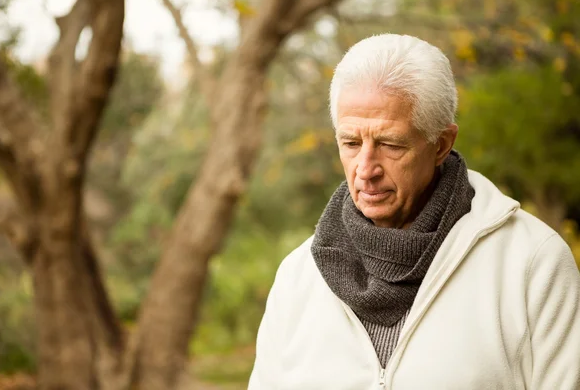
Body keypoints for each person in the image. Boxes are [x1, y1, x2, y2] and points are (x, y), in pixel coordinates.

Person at [247, 34, 580, 390]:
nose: (365, 168)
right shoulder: (298, 276)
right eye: (351, 143)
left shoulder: (533, 263)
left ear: (441, 144)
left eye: (390, 144)